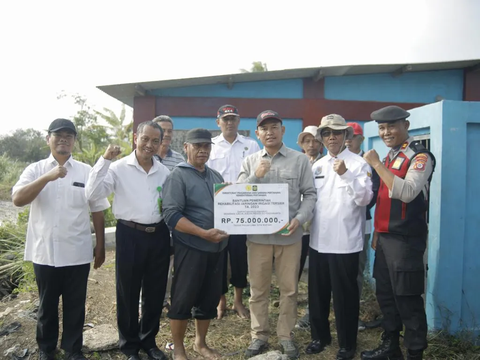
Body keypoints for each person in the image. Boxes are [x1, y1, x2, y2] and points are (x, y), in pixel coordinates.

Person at [12, 119, 109, 360]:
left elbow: (98, 208)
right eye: (58, 135)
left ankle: (72, 349)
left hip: (77, 249)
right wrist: (48, 177)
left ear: (74, 141)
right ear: (48, 139)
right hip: (44, 251)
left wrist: (100, 245)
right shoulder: (35, 169)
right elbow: (18, 199)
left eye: (69, 135)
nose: (63, 139)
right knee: (47, 305)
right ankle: (47, 349)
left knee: (75, 304)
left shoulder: (87, 171)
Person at [85, 121, 171, 360]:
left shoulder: (164, 172)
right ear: (136, 138)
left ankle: (149, 341)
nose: (149, 145)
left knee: (155, 293)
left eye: (156, 141)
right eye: (145, 139)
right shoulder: (118, 168)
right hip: (130, 235)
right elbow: (92, 195)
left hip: (159, 235)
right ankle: (130, 345)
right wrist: (104, 160)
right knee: (128, 292)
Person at [237, 110, 317, 359]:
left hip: (289, 237)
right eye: (264, 128)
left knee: (289, 290)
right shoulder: (250, 161)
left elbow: (310, 195)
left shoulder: (299, 160)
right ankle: (259, 335)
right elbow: (236, 194)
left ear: (283, 131)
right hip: (258, 238)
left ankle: (285, 335)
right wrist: (255, 176)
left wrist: (300, 219)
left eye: (274, 127)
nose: (269, 132)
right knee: (258, 290)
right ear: (258, 133)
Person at [361, 106, 435, 360]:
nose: (385, 132)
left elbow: (406, 192)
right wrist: (378, 232)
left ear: (406, 125)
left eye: (391, 126)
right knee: (386, 296)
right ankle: (391, 348)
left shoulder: (420, 156)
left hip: (406, 242)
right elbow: (384, 200)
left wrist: (376, 164)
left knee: (408, 300)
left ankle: (415, 353)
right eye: (382, 128)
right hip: (385, 239)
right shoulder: (392, 156)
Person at [307, 114, 373, 360]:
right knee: (318, 293)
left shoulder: (359, 164)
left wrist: (346, 174)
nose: (331, 137)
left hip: (345, 242)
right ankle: (320, 337)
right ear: (322, 138)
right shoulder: (317, 165)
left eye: (336, 132)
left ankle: (347, 344)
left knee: (345, 297)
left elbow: (365, 200)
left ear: (346, 136)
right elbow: (309, 200)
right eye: (326, 133)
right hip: (318, 242)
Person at [162, 128, 229, 360]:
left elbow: (226, 210)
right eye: (197, 146)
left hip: (216, 248)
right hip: (191, 248)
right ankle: (178, 348)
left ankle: (201, 343)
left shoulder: (216, 176)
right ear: (186, 147)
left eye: (206, 146)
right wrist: (202, 233)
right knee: (182, 298)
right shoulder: (177, 176)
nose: (202, 150)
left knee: (208, 298)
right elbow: (171, 215)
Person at [206, 104, 260, 319]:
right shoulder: (210, 146)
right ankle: (221, 302)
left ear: (239, 121)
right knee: (219, 257)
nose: (229, 122)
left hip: (242, 211)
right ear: (218, 122)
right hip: (217, 210)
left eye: (233, 119)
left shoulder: (251, 145)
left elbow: (258, 174)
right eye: (225, 119)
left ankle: (238, 301)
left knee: (239, 257)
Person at [345, 122, 380, 331]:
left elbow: (372, 195)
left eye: (353, 136)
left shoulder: (369, 162)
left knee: (355, 271)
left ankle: (352, 315)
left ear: (361, 139)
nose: (348, 139)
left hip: (360, 224)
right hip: (334, 226)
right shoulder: (335, 160)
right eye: (346, 135)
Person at [152, 115, 185, 309]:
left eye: (169, 131)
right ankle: (145, 302)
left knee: (170, 264)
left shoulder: (179, 159)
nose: (166, 134)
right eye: (162, 130)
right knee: (149, 264)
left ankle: (165, 301)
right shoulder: (144, 157)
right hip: (150, 220)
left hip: (172, 221)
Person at [294, 125, 323, 330]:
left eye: (314, 140)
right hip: (299, 227)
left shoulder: (328, 163)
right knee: (293, 270)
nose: (311, 145)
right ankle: (290, 310)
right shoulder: (295, 162)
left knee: (316, 273)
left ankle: (311, 313)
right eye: (306, 141)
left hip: (321, 227)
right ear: (300, 144)